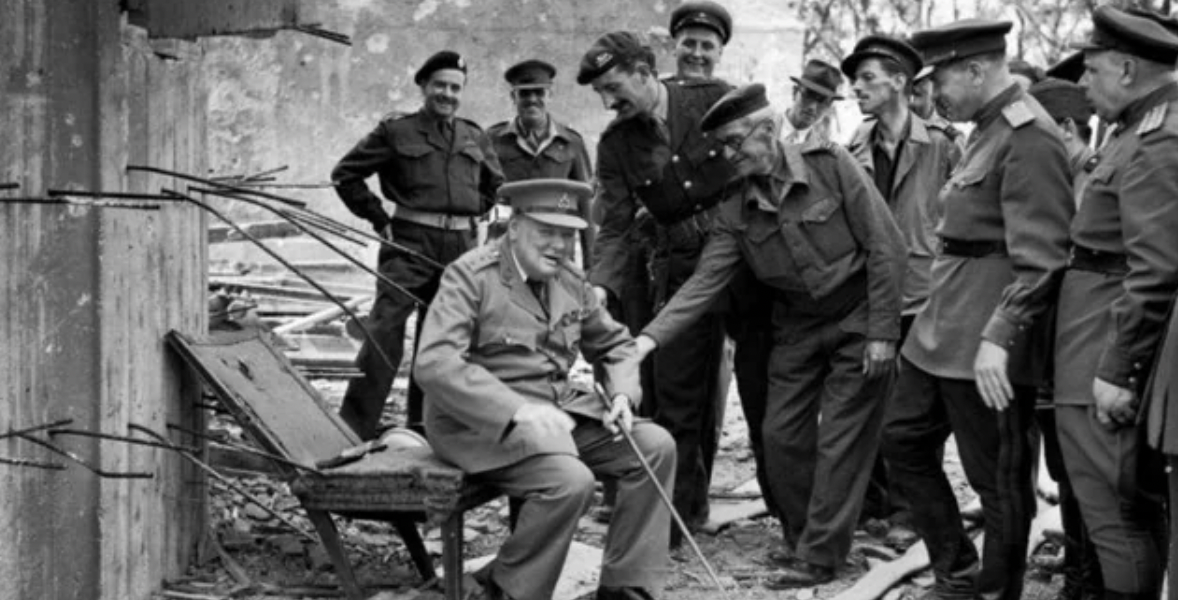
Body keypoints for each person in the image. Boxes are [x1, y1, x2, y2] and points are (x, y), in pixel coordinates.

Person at [634, 83, 906, 587]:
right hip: (797, 327)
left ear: (765, 131)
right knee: (780, 437)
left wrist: (883, 332)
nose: (728, 158)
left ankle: (821, 557)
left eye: (735, 145)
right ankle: (804, 537)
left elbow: (886, 245)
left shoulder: (831, 165)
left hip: (857, 319)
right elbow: (703, 284)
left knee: (841, 441)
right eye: (722, 149)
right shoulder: (734, 208)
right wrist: (645, 341)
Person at [414, 179, 675, 600]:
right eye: (546, 232)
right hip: (479, 424)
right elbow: (434, 362)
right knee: (569, 481)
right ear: (514, 228)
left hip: (556, 414)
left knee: (654, 446)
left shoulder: (570, 280)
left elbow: (616, 345)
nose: (559, 245)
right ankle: (508, 589)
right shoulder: (471, 275)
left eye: (568, 235)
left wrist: (624, 395)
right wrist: (515, 409)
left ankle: (626, 587)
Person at [890, 20, 1073, 600]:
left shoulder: (1029, 135)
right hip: (941, 327)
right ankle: (958, 572)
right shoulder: (987, 130)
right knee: (901, 441)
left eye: (941, 78)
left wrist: (1000, 335)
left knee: (997, 479)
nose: (935, 93)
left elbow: (1044, 256)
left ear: (975, 69)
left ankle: (995, 591)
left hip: (986, 341)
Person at [578, 31, 736, 541]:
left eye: (613, 86)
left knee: (764, 391)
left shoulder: (714, 99)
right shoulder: (617, 144)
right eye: (600, 92)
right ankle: (676, 517)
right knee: (676, 394)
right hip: (681, 267)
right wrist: (599, 287)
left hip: (746, 262)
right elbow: (617, 227)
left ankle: (799, 521)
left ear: (645, 73)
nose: (608, 101)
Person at [1057, 6, 1178, 599]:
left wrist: (1117, 370)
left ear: (1127, 67)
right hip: (1090, 338)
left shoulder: (1159, 138)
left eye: (1091, 69)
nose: (1082, 84)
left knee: (1114, 515)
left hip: (1101, 351)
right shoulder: (1139, 127)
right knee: (1125, 510)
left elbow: (1155, 269)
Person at [331, 50, 504, 440]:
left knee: (442, 339)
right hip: (409, 245)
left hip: (459, 249)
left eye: (455, 88)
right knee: (384, 333)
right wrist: (378, 218)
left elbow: (496, 187)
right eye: (440, 85)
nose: (448, 94)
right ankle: (353, 428)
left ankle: (424, 427)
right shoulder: (397, 132)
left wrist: (469, 215)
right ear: (424, 87)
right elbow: (345, 175)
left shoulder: (474, 136)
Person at [843, 34, 962, 546]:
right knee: (866, 400)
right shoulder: (853, 145)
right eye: (855, 80)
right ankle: (871, 504)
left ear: (899, 82)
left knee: (913, 412)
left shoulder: (942, 144)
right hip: (870, 292)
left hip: (923, 293)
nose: (857, 88)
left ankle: (909, 514)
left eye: (867, 78)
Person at [1025, 75, 1103, 600]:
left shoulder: (1091, 185)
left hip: (1082, 354)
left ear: (1069, 130)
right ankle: (1078, 568)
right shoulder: (1067, 181)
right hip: (1054, 353)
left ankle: (1085, 581)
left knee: (1085, 475)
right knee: (1065, 468)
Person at [487, 59, 593, 266]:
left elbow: (585, 204)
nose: (532, 100)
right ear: (513, 97)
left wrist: (591, 266)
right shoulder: (493, 139)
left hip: (555, 250)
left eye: (539, 92)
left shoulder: (571, 142)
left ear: (550, 95)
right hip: (508, 248)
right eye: (524, 93)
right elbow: (480, 198)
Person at [782, 59, 843, 145]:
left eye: (823, 101)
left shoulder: (822, 152)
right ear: (795, 92)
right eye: (808, 95)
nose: (812, 107)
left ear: (829, 106)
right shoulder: (760, 125)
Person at [669, 0, 732, 80]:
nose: (697, 54)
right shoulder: (654, 91)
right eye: (689, 44)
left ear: (719, 53)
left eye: (707, 46)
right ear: (674, 47)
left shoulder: (731, 92)